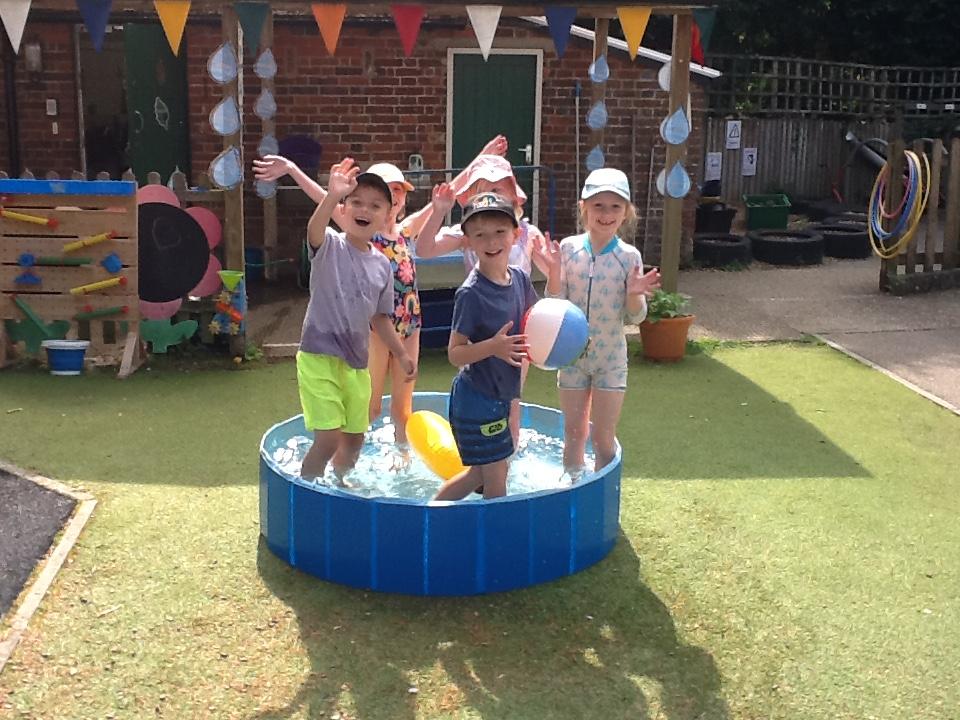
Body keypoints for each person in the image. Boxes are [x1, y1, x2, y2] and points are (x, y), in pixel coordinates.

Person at [253, 136, 507, 444]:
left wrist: (481, 157)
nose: (396, 195)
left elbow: (448, 192)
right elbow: (322, 197)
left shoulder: (407, 230)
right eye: (390, 189)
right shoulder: (362, 230)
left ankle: (401, 455)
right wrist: (292, 169)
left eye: (399, 190)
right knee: (369, 405)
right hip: (375, 328)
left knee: (403, 407)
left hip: (410, 325)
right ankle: (354, 453)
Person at [533, 168, 662, 478]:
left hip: (610, 360)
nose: (606, 214)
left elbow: (636, 316)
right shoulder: (568, 249)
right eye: (598, 206)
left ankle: (600, 497)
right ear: (584, 208)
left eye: (615, 206)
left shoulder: (629, 257)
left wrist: (634, 295)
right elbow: (556, 301)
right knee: (573, 433)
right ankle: (572, 489)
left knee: (603, 440)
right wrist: (553, 273)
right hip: (571, 358)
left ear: (626, 212)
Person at [416, 155, 549, 453]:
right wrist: (438, 212)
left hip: (518, 330)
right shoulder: (471, 232)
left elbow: (552, 286)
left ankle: (506, 456)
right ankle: (487, 456)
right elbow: (424, 249)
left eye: (497, 189)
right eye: (482, 189)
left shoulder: (525, 233)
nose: (489, 195)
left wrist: (557, 270)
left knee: (512, 398)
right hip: (481, 324)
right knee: (485, 390)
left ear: (514, 197)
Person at [297, 157, 417, 483]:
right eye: (357, 202)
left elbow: (380, 317)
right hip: (319, 356)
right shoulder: (329, 245)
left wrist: (401, 353)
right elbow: (313, 230)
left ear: (388, 215)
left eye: (375, 205)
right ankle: (307, 490)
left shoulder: (381, 266)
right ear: (345, 208)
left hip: (356, 363)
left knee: (354, 440)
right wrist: (332, 195)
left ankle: (339, 485)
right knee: (328, 439)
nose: (365, 210)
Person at [433, 192, 538, 501]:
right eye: (480, 235)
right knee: (496, 476)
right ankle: (496, 531)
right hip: (477, 398)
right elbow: (455, 353)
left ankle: (430, 514)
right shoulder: (472, 293)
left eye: (499, 232)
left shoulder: (520, 279)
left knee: (479, 474)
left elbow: (537, 320)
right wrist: (493, 346)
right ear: (468, 242)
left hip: (499, 394)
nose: (491, 241)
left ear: (516, 234)